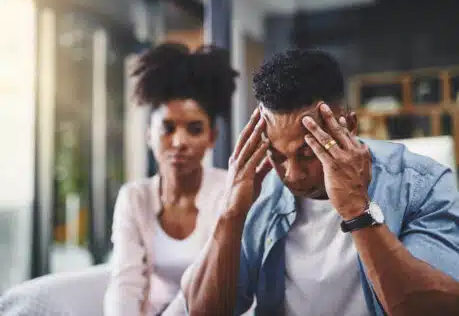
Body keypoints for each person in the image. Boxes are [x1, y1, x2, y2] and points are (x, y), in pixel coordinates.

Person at [182, 49, 459, 315]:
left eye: (307, 154)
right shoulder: (261, 189)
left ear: (348, 127)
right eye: (277, 156)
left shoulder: (422, 184)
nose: (292, 175)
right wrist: (231, 215)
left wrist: (357, 210)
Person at [104, 43, 237, 316]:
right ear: (148, 135)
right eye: (167, 128)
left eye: (194, 129)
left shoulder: (229, 191)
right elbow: (124, 284)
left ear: (212, 137)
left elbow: (227, 285)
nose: (179, 142)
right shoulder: (134, 198)